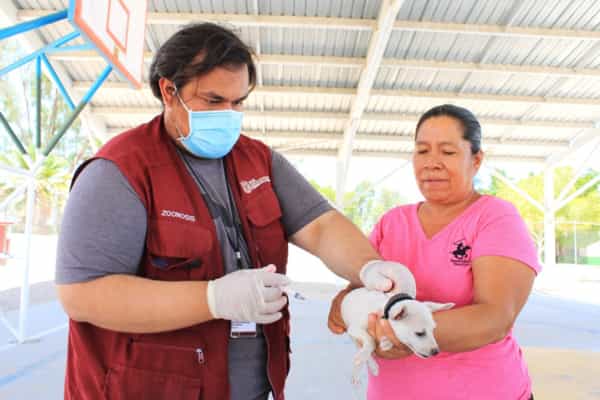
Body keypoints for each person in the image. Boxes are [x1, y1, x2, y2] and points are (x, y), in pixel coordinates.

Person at [55, 23, 406, 400]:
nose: (228, 115)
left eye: (238, 103)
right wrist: (212, 299)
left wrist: (370, 268)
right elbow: (83, 295)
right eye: (213, 100)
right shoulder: (121, 170)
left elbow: (320, 226)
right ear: (169, 91)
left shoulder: (258, 161)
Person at [328, 104, 541, 400]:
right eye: (423, 151)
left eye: (448, 152)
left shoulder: (495, 217)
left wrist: (402, 332)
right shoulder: (392, 222)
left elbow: (495, 318)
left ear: (476, 160)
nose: (432, 163)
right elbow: (358, 290)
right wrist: (344, 306)